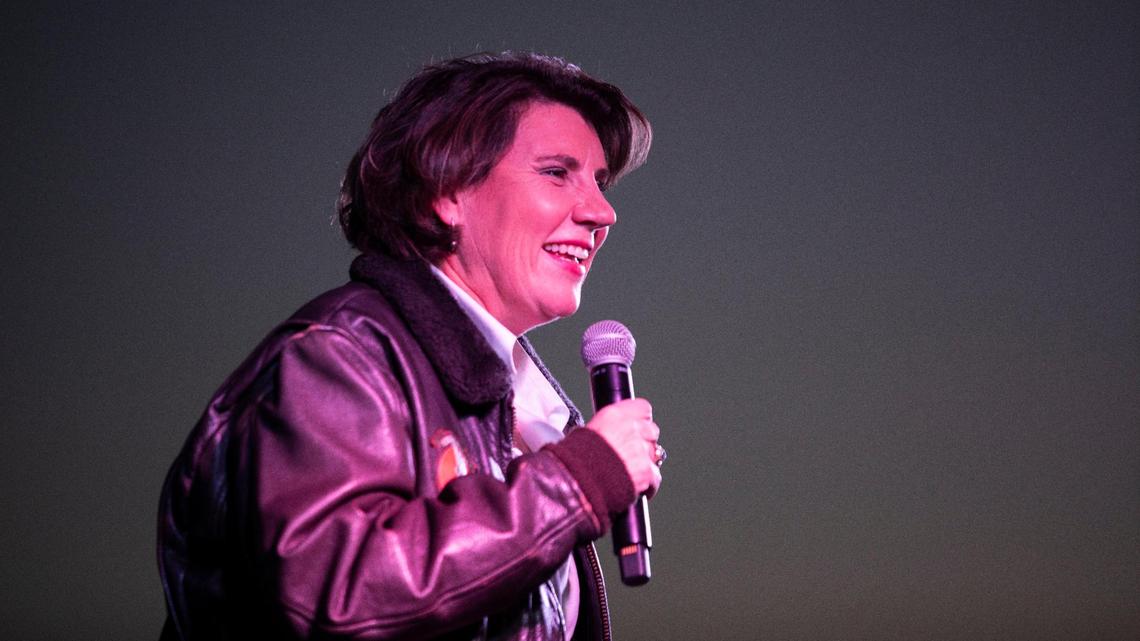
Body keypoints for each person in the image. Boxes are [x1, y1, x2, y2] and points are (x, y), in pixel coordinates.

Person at [157, 51, 662, 641]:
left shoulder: (526, 417)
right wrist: (577, 482)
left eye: (599, 183)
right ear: (447, 192)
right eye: (556, 172)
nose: (603, 212)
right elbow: (338, 596)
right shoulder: (336, 356)